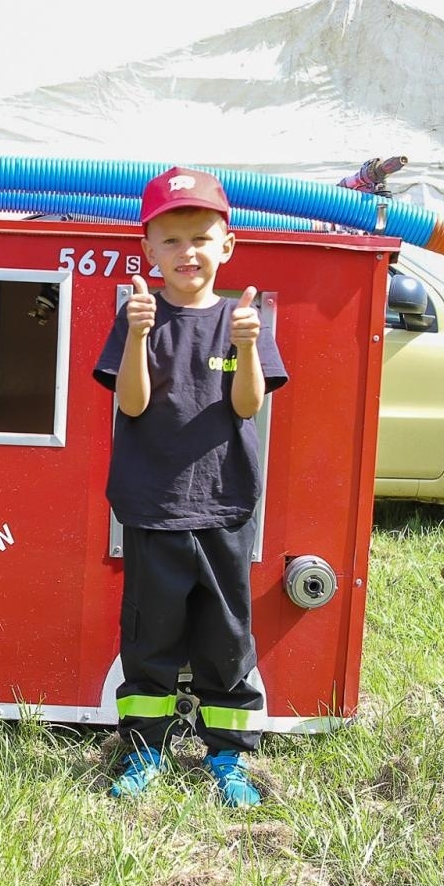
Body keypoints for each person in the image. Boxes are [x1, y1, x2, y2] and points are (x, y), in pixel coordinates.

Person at [91, 166, 289, 808]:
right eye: (171, 240)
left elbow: (248, 403)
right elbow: (134, 405)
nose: (187, 253)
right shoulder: (138, 317)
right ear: (147, 250)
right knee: (151, 639)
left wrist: (249, 347)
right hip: (153, 506)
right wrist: (141, 335)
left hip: (226, 506)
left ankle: (227, 757)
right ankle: (145, 752)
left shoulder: (243, 319)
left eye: (201, 237)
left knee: (227, 641)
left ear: (226, 245)